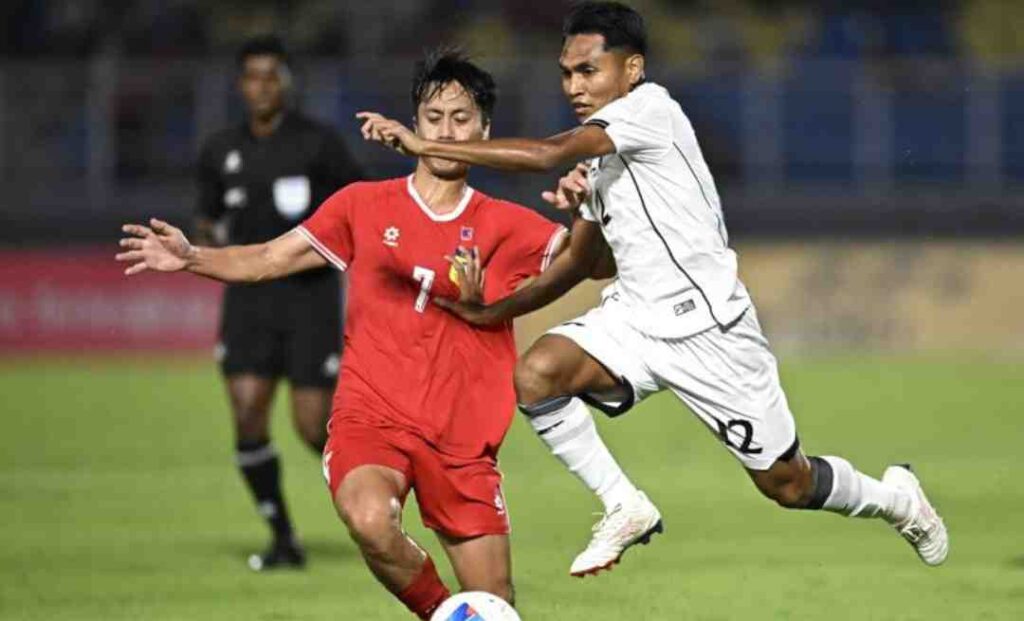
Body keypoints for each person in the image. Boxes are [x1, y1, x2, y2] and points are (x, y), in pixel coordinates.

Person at [357, 1, 949, 578]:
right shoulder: (599, 159)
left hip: (710, 332)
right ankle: (623, 504)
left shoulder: (648, 110)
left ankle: (895, 499)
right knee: (538, 374)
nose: (574, 85)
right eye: (566, 72)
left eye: (588, 70)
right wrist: (498, 311)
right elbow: (584, 263)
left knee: (787, 484)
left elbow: (546, 153)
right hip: (636, 319)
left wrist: (425, 145)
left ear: (631, 70)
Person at [118, 50, 571, 619]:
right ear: (415, 124)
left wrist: (592, 207)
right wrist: (191, 258)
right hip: (372, 419)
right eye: (434, 117)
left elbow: (591, 262)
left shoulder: (507, 223)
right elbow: (266, 258)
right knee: (369, 518)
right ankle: (440, 614)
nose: (446, 130)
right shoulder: (363, 205)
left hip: (462, 439)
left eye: (461, 118)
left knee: (496, 602)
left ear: (484, 130)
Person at [194, 35, 366, 570]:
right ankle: (283, 538)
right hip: (247, 301)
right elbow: (206, 215)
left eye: (272, 76)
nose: (261, 86)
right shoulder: (219, 149)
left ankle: (378, 507)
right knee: (247, 414)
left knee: (314, 427)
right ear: (240, 84)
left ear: (286, 82)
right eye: (252, 76)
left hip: (309, 300)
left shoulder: (318, 144)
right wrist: (213, 237)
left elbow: (358, 207)